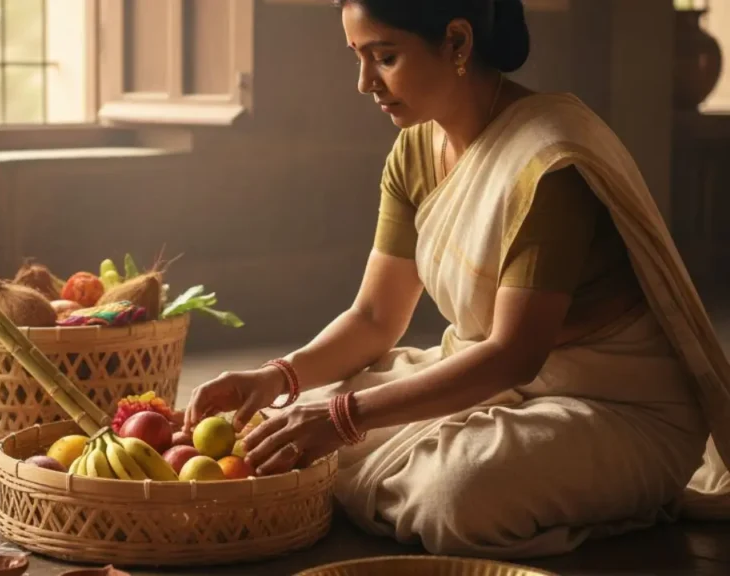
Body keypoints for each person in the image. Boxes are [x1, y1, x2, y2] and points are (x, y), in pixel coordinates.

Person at [182, 0, 730, 560]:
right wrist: (276, 378)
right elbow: (375, 318)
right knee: (286, 429)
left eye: (385, 57)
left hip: (613, 406)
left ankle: (630, 498)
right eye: (358, 58)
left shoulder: (546, 163)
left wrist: (345, 418)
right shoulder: (415, 150)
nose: (364, 83)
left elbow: (514, 355)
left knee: (452, 495)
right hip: (493, 379)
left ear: (458, 42)